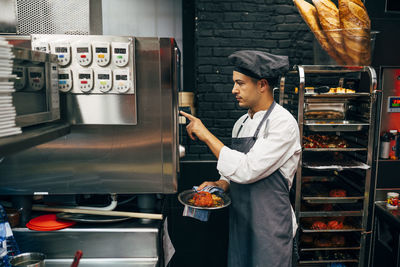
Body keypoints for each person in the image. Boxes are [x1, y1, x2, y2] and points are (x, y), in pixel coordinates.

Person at [180, 50, 301, 267]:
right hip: (242, 223)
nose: (234, 90)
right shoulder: (241, 123)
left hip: (271, 228)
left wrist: (206, 134)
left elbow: (247, 170)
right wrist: (220, 183)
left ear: (262, 85)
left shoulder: (283, 123)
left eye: (240, 83)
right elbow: (233, 170)